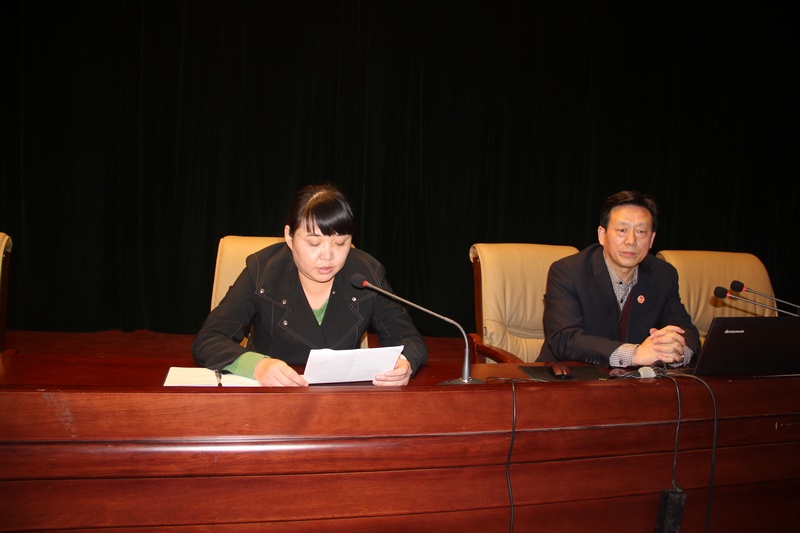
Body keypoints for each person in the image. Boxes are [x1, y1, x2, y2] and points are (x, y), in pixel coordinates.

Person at [192, 184, 428, 386]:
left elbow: (408, 338)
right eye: (314, 244)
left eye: (340, 243)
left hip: (342, 397)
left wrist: (404, 362)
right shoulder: (263, 271)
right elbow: (210, 340)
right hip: (273, 396)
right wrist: (257, 366)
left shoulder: (367, 273)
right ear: (289, 236)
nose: (328, 256)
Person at [540, 190, 700, 368]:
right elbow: (564, 339)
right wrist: (634, 354)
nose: (631, 240)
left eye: (641, 231)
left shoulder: (663, 275)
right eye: (622, 230)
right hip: (571, 376)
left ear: (652, 239)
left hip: (636, 380)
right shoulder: (568, 272)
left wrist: (676, 352)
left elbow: (687, 333)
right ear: (602, 235)